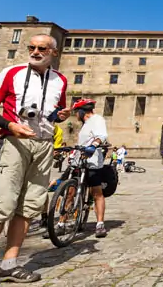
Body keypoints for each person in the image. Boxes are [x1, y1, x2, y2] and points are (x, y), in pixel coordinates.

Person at [0, 34, 69, 287]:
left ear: (53, 52)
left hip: (44, 145)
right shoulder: (12, 73)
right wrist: (11, 124)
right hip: (14, 142)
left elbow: (55, 115)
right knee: (3, 203)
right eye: (31, 47)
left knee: (30, 205)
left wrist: (61, 115)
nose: (35, 51)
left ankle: (10, 264)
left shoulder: (60, 80)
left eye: (42, 48)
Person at [71, 98, 110, 238]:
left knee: (96, 192)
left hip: (92, 160)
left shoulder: (97, 119)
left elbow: (102, 135)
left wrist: (93, 145)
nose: (75, 115)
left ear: (82, 112)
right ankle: (61, 223)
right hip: (78, 160)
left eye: (76, 112)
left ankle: (100, 224)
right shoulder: (85, 124)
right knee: (70, 190)